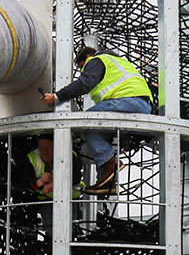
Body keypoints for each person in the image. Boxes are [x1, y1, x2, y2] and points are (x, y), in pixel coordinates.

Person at [40, 34, 151, 194]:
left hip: (128, 100)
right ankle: (105, 182)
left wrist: (56, 97)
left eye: (82, 67)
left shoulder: (96, 60)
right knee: (100, 131)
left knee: (87, 123)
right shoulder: (118, 62)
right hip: (140, 103)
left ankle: (111, 162)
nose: (83, 71)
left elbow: (84, 83)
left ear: (87, 57)